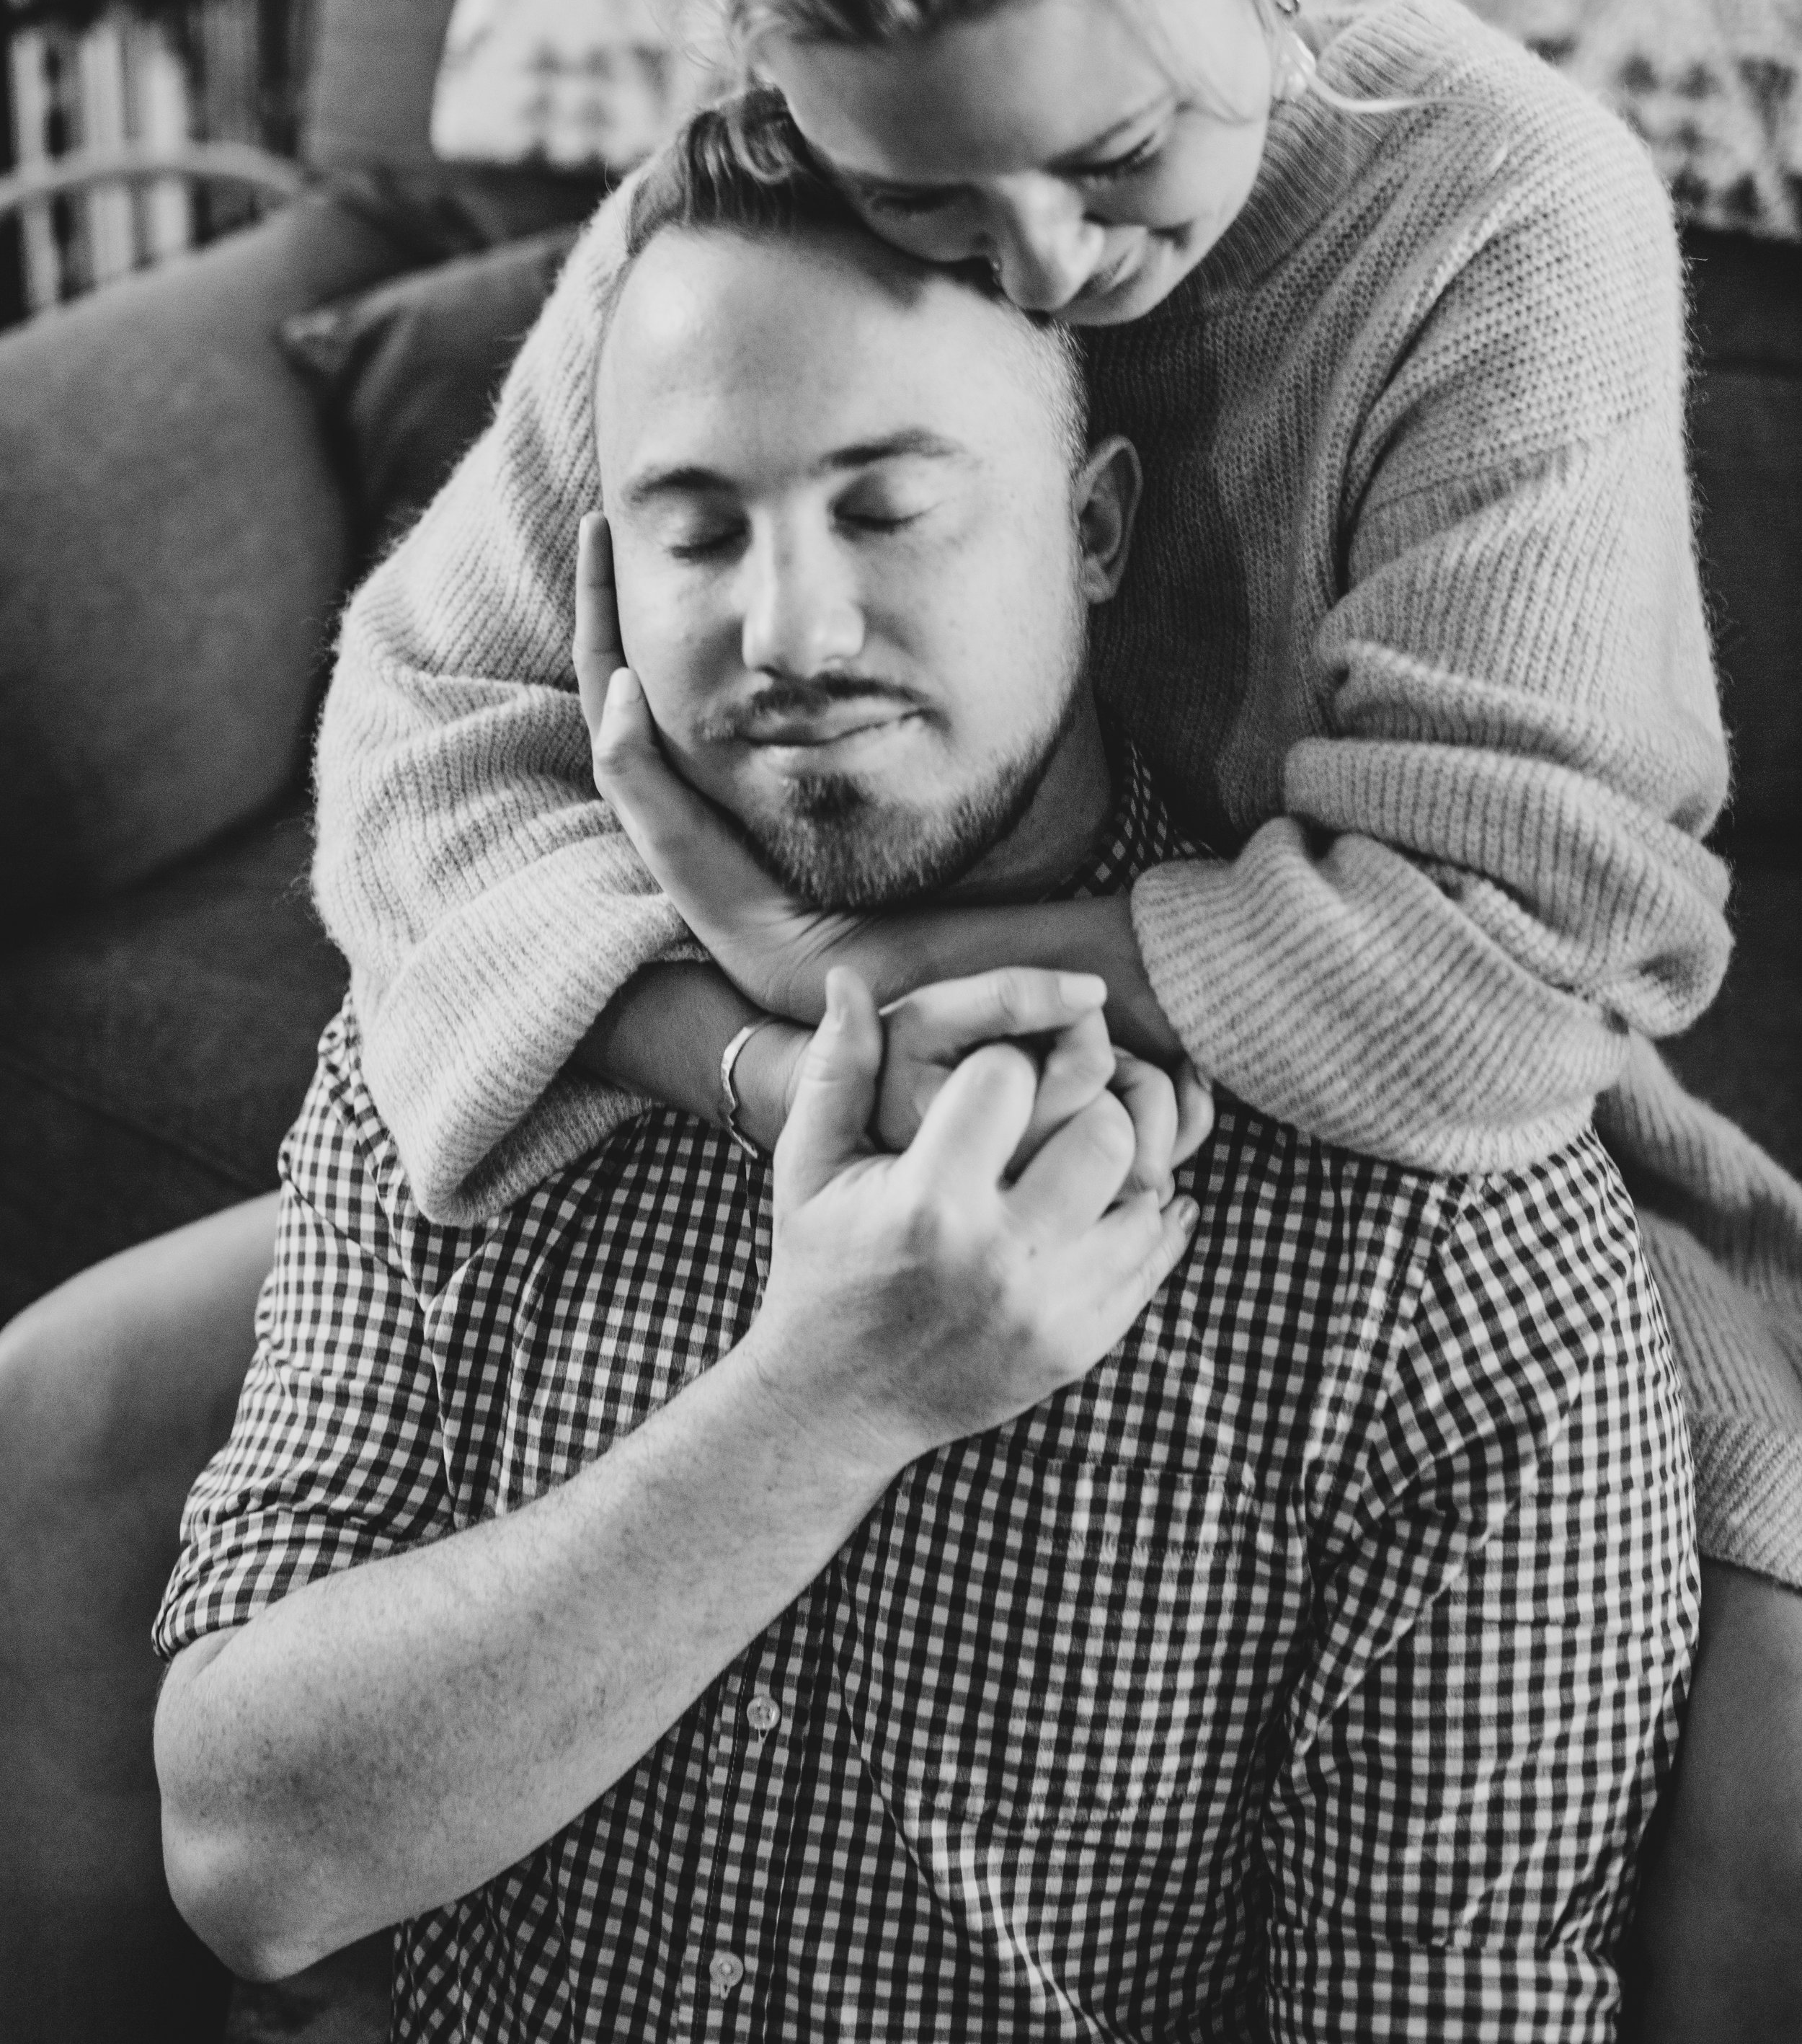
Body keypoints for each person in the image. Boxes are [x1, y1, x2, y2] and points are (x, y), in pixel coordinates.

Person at [306, 0, 1802, 2027]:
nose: (1036, 265)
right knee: (60, 1405)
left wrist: (846, 980)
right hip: (843, 1091)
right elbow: (421, 729)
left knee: (1776, 1605)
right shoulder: (729, 204)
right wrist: (758, 1063)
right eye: (916, 195)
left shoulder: (1498, 214)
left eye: (1113, 166)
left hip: (1347, 1110)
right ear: (774, 95)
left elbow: (1491, 978)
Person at [156, 137, 1696, 2036]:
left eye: (887, 512)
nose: (791, 634)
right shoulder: (472, 1033)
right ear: (599, 581)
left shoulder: (1456, 1259)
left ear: (1094, 529)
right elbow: (248, 1857)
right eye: (698, 534)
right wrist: (824, 1401)